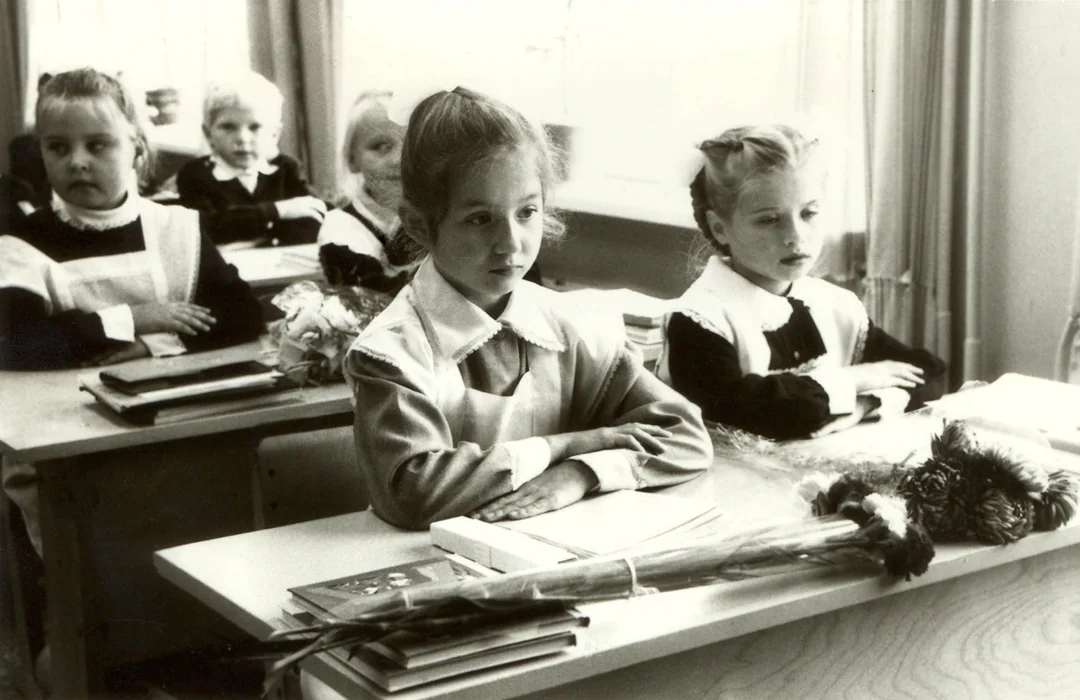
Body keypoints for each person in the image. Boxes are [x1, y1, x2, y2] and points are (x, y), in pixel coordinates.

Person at [343, 87, 713, 531]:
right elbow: (415, 492)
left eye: (527, 212)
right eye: (480, 219)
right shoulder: (392, 351)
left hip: (558, 554)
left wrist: (581, 473)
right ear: (420, 224)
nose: (511, 243)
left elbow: (686, 436)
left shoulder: (571, 327)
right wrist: (564, 447)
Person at [658, 124, 946, 440]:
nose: (795, 237)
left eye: (808, 213)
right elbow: (758, 413)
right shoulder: (699, 320)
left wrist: (865, 404)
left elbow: (927, 372)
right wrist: (855, 380)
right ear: (719, 228)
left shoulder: (833, 304)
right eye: (769, 220)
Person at [177, 71, 326, 247]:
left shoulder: (286, 168)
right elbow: (208, 227)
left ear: (274, 134)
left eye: (255, 127)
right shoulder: (195, 175)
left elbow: (314, 215)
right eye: (228, 127)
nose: (242, 138)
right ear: (208, 134)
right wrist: (277, 211)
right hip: (224, 270)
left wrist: (253, 232)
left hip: (283, 268)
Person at [317, 91, 422, 293]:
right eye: (381, 146)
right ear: (352, 160)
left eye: (411, 146)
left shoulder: (436, 214)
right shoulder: (340, 229)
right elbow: (372, 301)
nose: (399, 160)